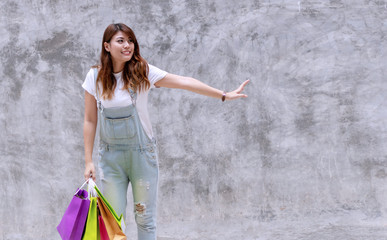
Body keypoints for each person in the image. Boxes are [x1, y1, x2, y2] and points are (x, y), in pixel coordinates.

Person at [82, 23, 249, 240]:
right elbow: (89, 120)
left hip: (142, 157)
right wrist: (88, 161)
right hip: (111, 159)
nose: (128, 45)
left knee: (145, 218)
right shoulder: (94, 77)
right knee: (113, 221)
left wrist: (223, 95)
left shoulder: (142, 71)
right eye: (120, 41)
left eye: (130, 40)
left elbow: (184, 82)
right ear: (107, 46)